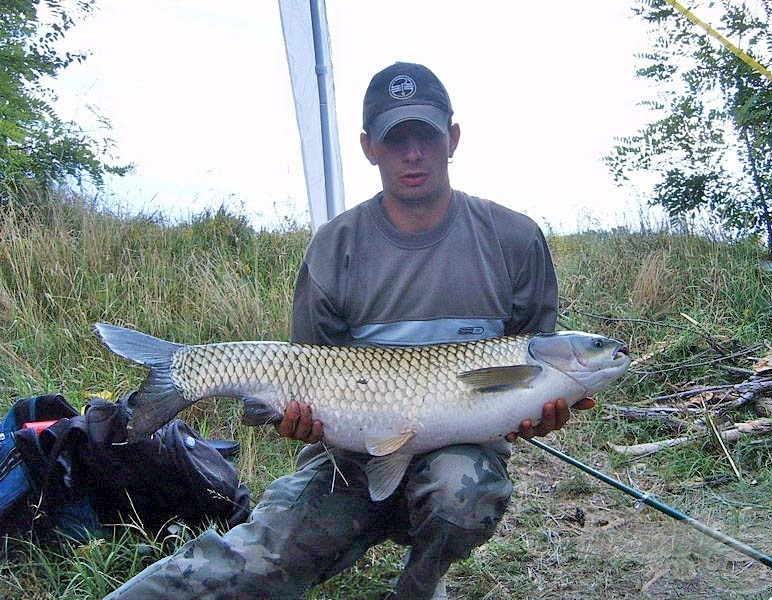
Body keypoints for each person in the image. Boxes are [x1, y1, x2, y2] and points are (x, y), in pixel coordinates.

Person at [105, 62, 593, 600]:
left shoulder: (514, 239)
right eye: (395, 139)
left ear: (452, 138)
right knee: (252, 563)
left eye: (426, 136)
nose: (413, 154)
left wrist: (537, 415)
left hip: (463, 449)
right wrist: (298, 421)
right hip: (348, 453)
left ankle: (419, 588)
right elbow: (311, 369)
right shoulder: (335, 246)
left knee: (462, 497)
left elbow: (528, 378)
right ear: (368, 147)